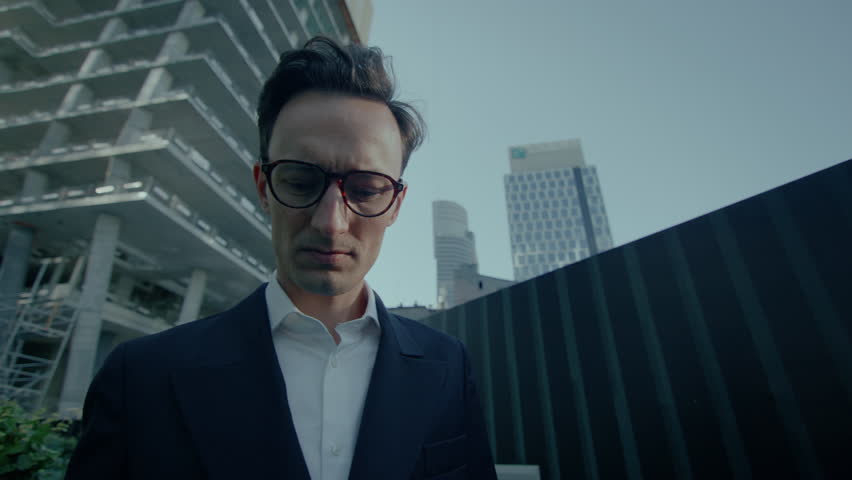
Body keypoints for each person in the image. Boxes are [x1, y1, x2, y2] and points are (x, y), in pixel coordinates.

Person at [65, 37, 497, 480]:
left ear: (396, 204)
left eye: (366, 189)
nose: (332, 222)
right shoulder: (140, 377)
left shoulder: (447, 366)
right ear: (263, 186)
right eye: (299, 181)